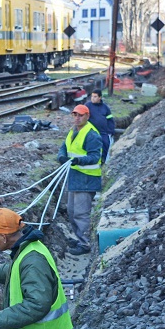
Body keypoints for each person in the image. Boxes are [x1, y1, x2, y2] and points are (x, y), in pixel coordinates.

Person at [57, 104, 102, 255]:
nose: (77, 118)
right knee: (71, 211)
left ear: (87, 116)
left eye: (80, 115)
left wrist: (78, 161)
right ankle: (79, 238)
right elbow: (64, 147)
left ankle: (85, 244)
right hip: (74, 177)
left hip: (87, 179)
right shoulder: (73, 131)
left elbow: (95, 157)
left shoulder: (91, 134)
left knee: (81, 213)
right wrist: (61, 156)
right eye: (75, 115)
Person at [85, 89, 115, 164]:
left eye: (95, 96)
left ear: (100, 97)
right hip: (91, 132)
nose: (92, 98)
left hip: (103, 132)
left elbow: (110, 119)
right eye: (92, 96)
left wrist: (111, 130)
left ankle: (103, 160)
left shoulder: (105, 108)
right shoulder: (87, 106)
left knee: (106, 144)